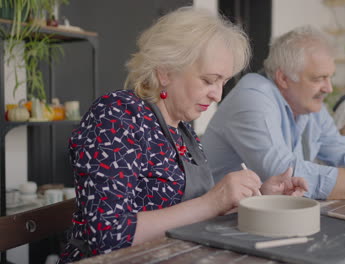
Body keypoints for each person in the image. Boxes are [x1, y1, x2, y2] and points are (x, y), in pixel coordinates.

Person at [59, 7, 308, 263]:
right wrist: (213, 201)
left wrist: (259, 198)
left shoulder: (182, 128)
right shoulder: (116, 116)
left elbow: (195, 212)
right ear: (165, 71)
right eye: (209, 80)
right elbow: (108, 236)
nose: (217, 95)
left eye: (223, 82)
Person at [202, 26, 345, 201]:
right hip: (212, 224)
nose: (329, 88)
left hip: (257, 214)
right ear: (284, 78)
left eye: (330, 77)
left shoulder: (308, 103)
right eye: (319, 78)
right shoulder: (253, 96)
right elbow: (288, 173)